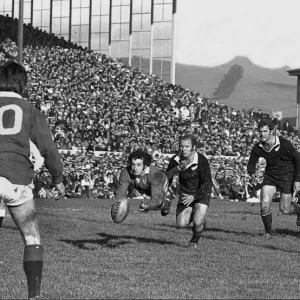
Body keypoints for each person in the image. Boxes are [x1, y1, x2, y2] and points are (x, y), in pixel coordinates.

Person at [0, 61, 65, 300]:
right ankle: (34, 296)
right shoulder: (28, 108)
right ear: (22, 83)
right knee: (31, 236)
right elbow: (47, 146)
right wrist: (57, 177)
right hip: (17, 177)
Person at [247, 118, 300, 238]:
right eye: (260, 131)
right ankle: (268, 233)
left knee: (285, 209)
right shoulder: (258, 147)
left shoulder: (284, 144)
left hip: (287, 177)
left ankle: (299, 211)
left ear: (271, 131)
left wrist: (297, 180)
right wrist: (252, 174)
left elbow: (298, 159)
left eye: (265, 131)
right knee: (264, 204)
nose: (262, 134)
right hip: (270, 176)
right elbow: (250, 164)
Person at [165, 134, 213, 248]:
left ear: (194, 147)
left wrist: (194, 196)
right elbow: (167, 177)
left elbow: (207, 184)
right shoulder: (175, 159)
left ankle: (194, 241)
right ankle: (197, 215)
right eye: (181, 146)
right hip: (185, 192)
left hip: (201, 193)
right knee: (181, 224)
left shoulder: (202, 161)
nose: (184, 149)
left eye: (187, 146)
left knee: (197, 222)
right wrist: (164, 195)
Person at [115, 150, 171, 216]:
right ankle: (147, 203)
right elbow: (121, 194)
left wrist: (147, 206)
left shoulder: (155, 174)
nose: (135, 168)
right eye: (133, 164)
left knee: (157, 206)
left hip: (161, 182)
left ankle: (167, 204)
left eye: (139, 165)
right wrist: (118, 206)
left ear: (145, 165)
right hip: (143, 186)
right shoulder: (125, 173)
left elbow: (157, 201)